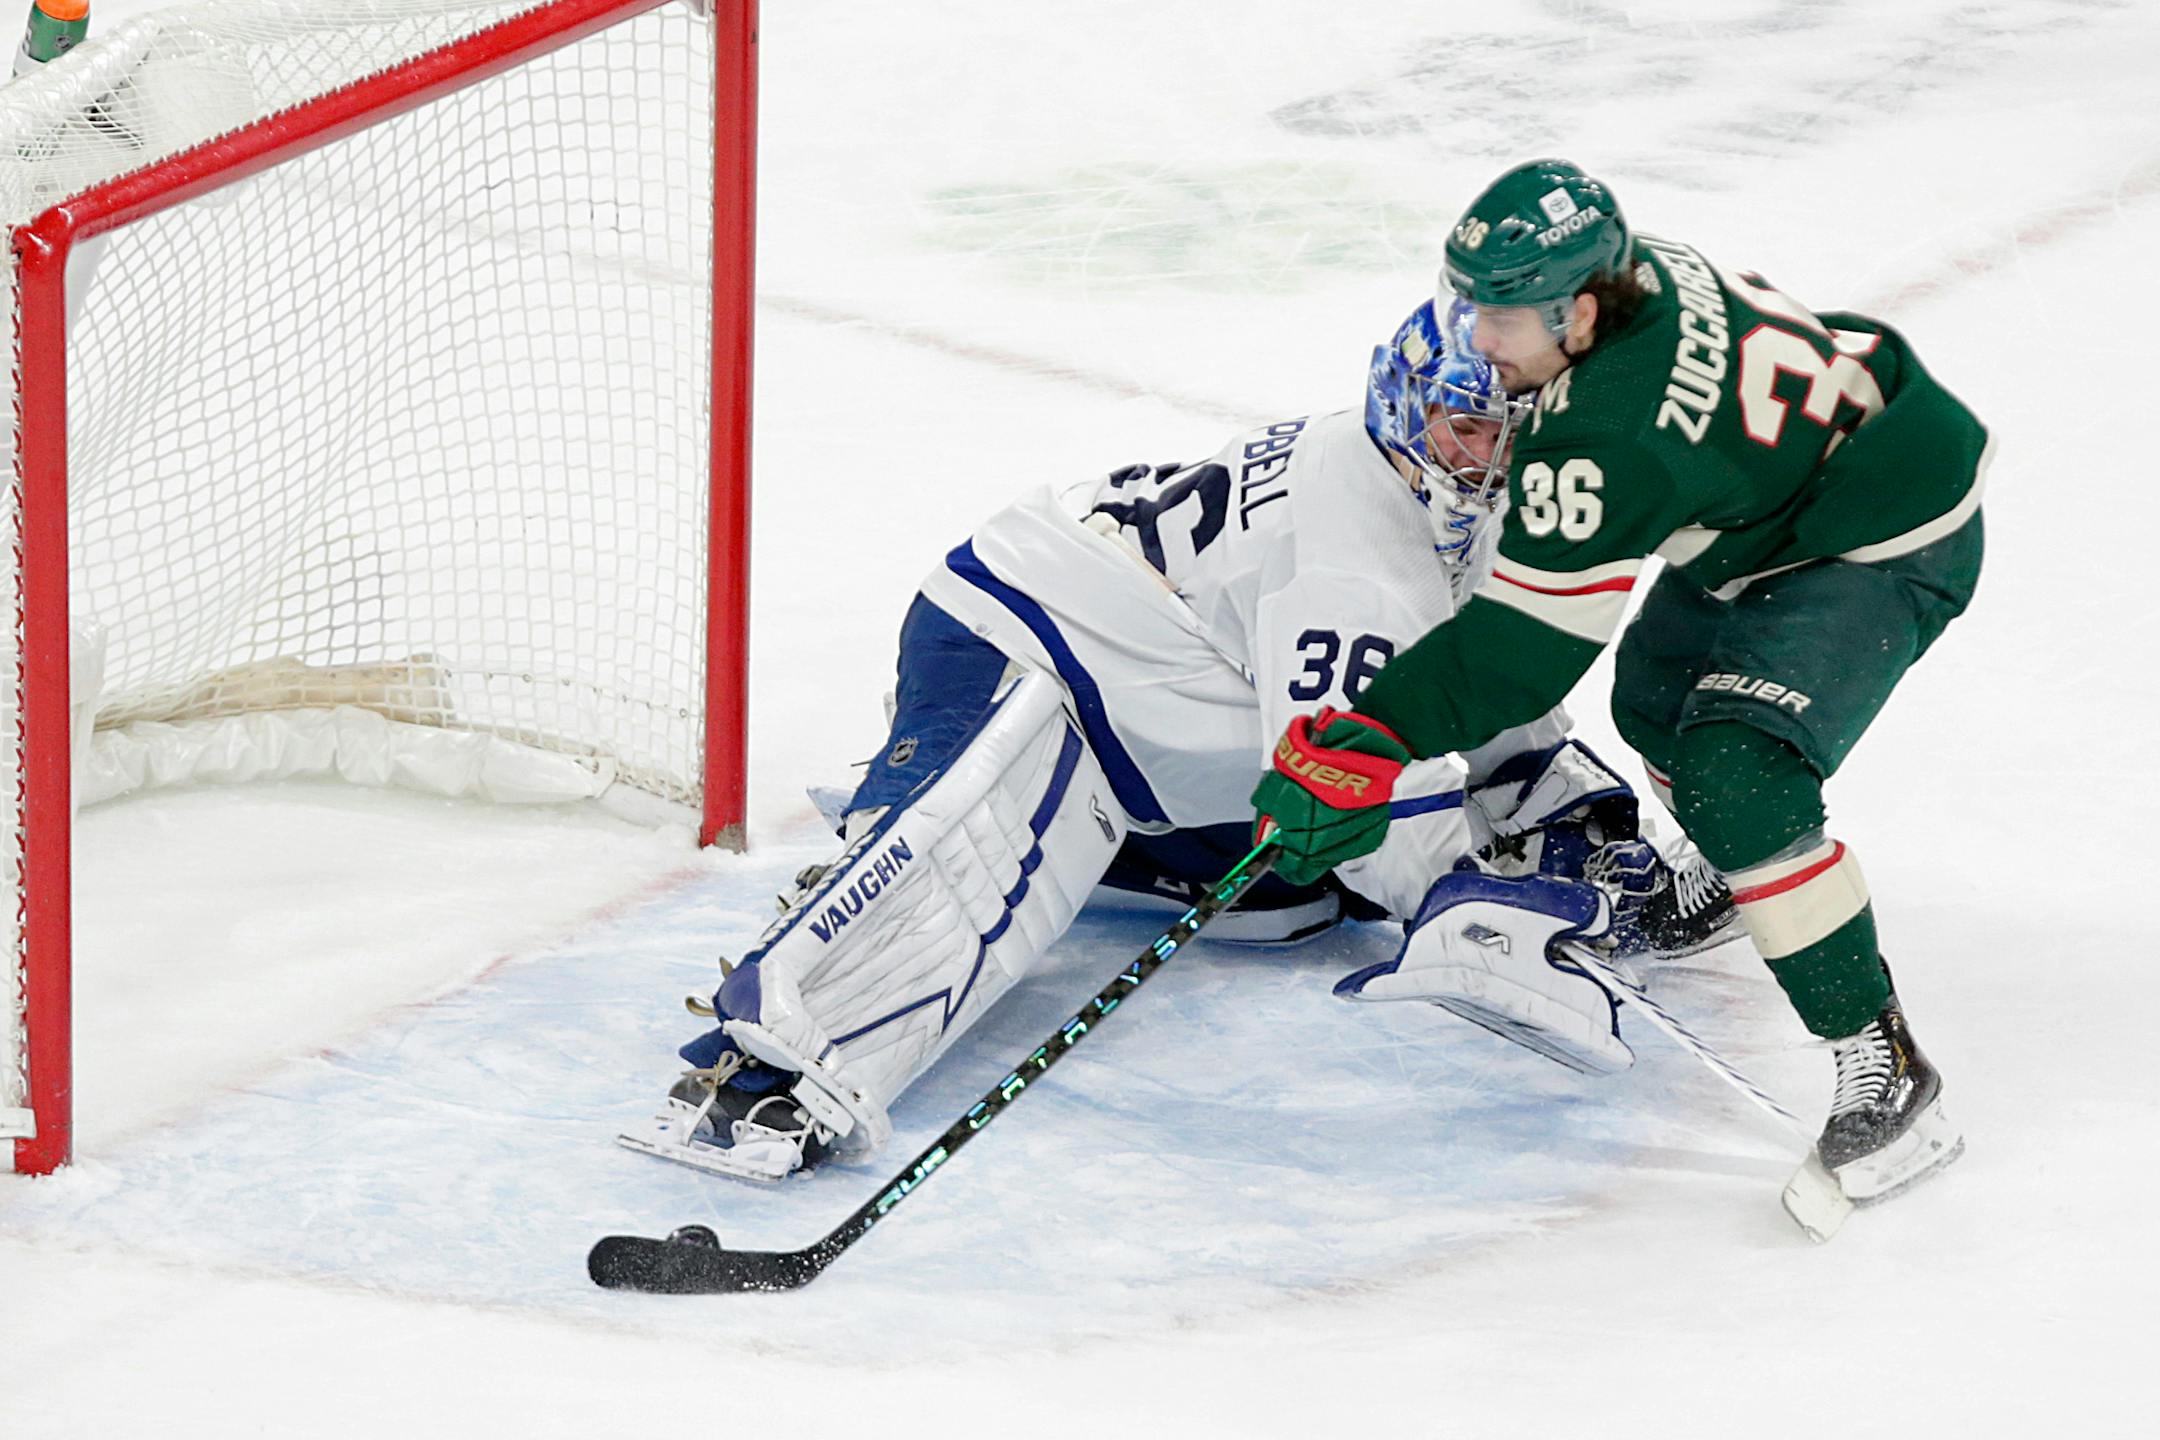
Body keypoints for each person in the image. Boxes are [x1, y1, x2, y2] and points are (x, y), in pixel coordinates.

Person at [621, 298, 1735, 1183]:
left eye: (1516, 428)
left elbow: (1466, 665)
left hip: (1173, 700)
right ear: (1405, 405)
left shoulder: (1442, 500)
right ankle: (772, 1063)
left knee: (1292, 898)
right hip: (1031, 641)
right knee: (968, 871)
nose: (1492, 456)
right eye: (1469, 427)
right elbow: (1350, 787)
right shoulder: (1352, 559)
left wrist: (1568, 816)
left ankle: (1095, 846)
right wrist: (1459, 901)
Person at [1251, 159, 1983, 1226]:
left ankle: (1887, 1067)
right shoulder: (1637, 281)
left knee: (1738, 776)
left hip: (1880, 531)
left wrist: (1373, 735)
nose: (1480, 338)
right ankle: (1736, 878)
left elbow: (1519, 654)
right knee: (1654, 701)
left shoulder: (1605, 431)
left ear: (1580, 312)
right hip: (1782, 504)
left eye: (1502, 317)